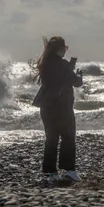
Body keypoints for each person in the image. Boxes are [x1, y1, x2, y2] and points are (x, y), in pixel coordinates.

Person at [32, 36, 83, 182]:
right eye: (64, 49)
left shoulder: (44, 64)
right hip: (62, 107)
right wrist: (79, 74)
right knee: (68, 138)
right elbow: (77, 82)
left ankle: (50, 172)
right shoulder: (63, 65)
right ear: (59, 49)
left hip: (47, 107)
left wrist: (69, 69)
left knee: (51, 139)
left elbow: (56, 80)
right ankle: (69, 171)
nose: (65, 51)